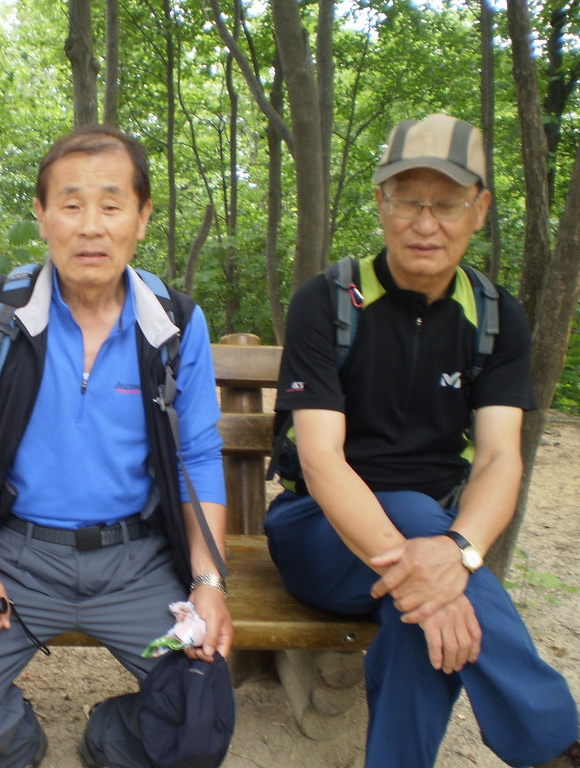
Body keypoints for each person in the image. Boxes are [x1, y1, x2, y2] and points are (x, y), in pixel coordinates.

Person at [264, 113, 580, 768]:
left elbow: (500, 457)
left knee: (421, 614)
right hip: (316, 532)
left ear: (480, 209)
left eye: (447, 203)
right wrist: (436, 562)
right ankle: (556, 742)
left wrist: (454, 556)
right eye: (408, 200)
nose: (425, 222)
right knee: (416, 530)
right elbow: (320, 460)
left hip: (434, 538)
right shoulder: (328, 301)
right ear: (382, 202)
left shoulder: (497, 317)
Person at [0, 126, 232, 768]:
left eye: (111, 205)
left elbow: (198, 456)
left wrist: (208, 582)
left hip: (137, 561)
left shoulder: (173, 324)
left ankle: (108, 736)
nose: (91, 226)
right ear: (42, 216)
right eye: (70, 204)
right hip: (16, 557)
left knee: (198, 727)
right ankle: (22, 746)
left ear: (141, 217)